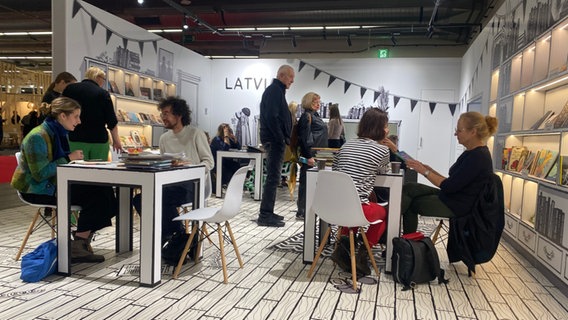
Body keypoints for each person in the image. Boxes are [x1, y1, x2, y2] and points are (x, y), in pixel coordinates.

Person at [11, 97, 110, 263]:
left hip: (54, 184)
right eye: (76, 116)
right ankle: (79, 244)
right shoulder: (38, 137)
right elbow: (40, 174)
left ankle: (79, 242)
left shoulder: (56, 134)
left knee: (104, 190)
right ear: (63, 116)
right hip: (37, 189)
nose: (79, 121)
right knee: (99, 195)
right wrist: (68, 158)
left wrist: (72, 161)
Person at [401, 111, 498, 234]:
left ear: (473, 132)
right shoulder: (472, 153)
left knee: (412, 204)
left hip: (459, 205)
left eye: (459, 130)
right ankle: (391, 228)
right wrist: (429, 170)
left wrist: (424, 171)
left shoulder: (478, 157)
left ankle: (403, 242)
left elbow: (449, 186)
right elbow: (453, 181)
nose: (455, 133)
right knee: (410, 188)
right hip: (453, 197)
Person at [133, 97, 214, 243]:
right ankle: (172, 237)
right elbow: (164, 163)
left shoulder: (195, 134)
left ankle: (175, 236)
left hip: (193, 186)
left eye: (166, 113)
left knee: (162, 198)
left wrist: (191, 169)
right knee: (140, 199)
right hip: (170, 184)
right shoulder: (164, 138)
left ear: (179, 115)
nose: (163, 117)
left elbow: (209, 162)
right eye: (162, 114)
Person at [331, 108, 390, 276]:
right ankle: (363, 253)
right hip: (357, 208)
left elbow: (335, 170)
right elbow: (383, 173)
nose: (387, 129)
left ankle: (343, 248)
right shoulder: (382, 150)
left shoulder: (347, 144)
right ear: (380, 128)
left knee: (354, 204)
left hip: (334, 207)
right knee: (384, 213)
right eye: (385, 126)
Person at [257, 65, 294, 227]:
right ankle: (265, 214)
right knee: (273, 178)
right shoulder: (274, 91)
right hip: (274, 141)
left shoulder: (276, 91)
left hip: (274, 140)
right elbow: (272, 117)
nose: (292, 81)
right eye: (290, 77)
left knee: (274, 178)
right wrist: (280, 138)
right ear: (281, 75)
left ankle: (268, 211)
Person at [63, 67, 122, 158]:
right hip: (98, 140)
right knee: (98, 170)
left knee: (76, 170)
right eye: (103, 79)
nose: (103, 83)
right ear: (98, 77)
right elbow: (111, 120)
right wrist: (116, 140)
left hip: (75, 138)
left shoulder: (69, 89)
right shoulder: (102, 93)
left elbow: (61, 112)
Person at [296, 92, 328, 220]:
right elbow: (304, 138)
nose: (318, 104)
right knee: (305, 182)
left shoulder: (315, 116)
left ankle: (310, 208)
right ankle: (302, 210)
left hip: (318, 154)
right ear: (309, 102)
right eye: (315, 102)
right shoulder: (306, 117)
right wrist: (308, 155)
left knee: (314, 183)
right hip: (311, 155)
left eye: (319, 102)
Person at [210, 123, 241, 194]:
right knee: (228, 170)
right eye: (228, 130)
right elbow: (224, 150)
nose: (229, 131)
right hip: (217, 164)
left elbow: (238, 147)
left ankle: (235, 186)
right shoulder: (217, 139)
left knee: (236, 165)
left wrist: (235, 139)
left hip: (225, 162)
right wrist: (226, 137)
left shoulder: (228, 139)